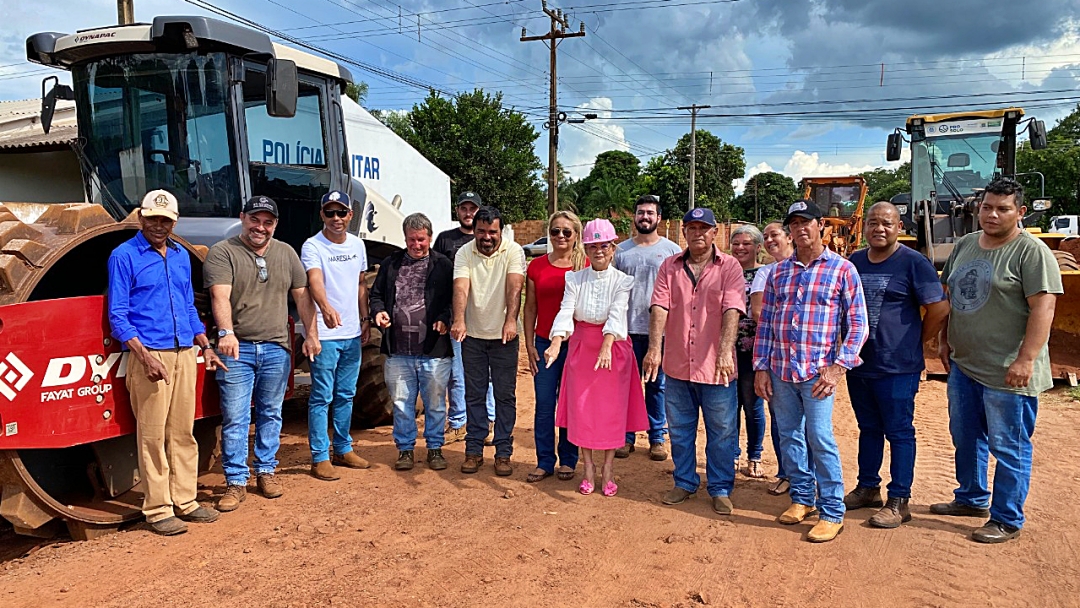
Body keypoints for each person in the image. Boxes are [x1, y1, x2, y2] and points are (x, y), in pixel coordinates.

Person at [931, 177, 1061, 543]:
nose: (992, 214)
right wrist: (944, 339)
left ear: (1019, 212)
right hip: (965, 364)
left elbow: (1044, 307)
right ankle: (972, 498)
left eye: (1002, 208)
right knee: (966, 436)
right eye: (987, 206)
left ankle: (1006, 517)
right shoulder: (966, 244)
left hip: (1008, 373)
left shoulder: (1031, 252)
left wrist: (1026, 359)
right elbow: (952, 295)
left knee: (1009, 444)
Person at [107, 189, 226, 535]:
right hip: (150, 355)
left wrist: (203, 341)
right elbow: (118, 315)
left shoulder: (179, 256)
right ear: (141, 218)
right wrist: (143, 357)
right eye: (153, 218)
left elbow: (188, 306)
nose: (159, 225)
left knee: (182, 432)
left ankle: (186, 501)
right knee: (152, 435)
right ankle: (158, 509)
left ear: (174, 223)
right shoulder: (124, 256)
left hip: (184, 351)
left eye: (166, 220)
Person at [753, 199, 868, 543]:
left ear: (821, 226)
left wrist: (838, 367)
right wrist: (761, 366)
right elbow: (767, 324)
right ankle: (803, 499)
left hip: (818, 375)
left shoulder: (842, 269)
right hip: (781, 369)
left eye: (807, 222)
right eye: (795, 223)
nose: (801, 229)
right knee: (788, 436)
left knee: (819, 438)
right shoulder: (778, 272)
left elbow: (858, 323)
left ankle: (832, 511)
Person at [205, 195, 319, 512]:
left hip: (276, 348)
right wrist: (226, 333)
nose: (261, 227)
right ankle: (236, 481)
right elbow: (220, 297)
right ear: (243, 218)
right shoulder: (223, 252)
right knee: (236, 418)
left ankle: (266, 471)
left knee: (271, 413)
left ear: (275, 225)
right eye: (255, 220)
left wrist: (311, 334)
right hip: (237, 349)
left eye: (268, 222)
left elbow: (303, 296)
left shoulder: (286, 254)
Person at [844, 202, 949, 528]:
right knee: (869, 428)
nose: (879, 228)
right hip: (860, 363)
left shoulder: (913, 263)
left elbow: (939, 309)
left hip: (897, 366)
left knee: (900, 431)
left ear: (898, 226)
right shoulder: (855, 261)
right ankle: (867, 487)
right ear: (864, 228)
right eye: (873, 223)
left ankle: (900, 499)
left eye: (886, 223)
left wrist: (916, 341)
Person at [643, 207, 745, 515]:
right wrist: (654, 349)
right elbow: (660, 306)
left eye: (704, 228)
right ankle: (685, 482)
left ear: (715, 232)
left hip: (716, 367)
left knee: (722, 431)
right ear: (684, 232)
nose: (697, 233)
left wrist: (725, 351)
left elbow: (732, 310)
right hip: (677, 365)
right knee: (680, 429)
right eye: (692, 227)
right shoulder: (669, 267)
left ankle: (720, 487)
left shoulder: (730, 267)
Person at [545, 219, 646, 496]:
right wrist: (556, 342)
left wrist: (607, 344)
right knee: (583, 412)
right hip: (581, 349)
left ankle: (608, 470)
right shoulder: (574, 279)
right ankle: (588, 468)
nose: (599, 251)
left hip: (613, 351)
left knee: (611, 414)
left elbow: (617, 312)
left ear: (613, 248)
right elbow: (566, 311)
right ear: (585, 249)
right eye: (593, 246)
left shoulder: (623, 281)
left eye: (604, 245)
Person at [370, 213, 455, 472]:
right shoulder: (391, 263)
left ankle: (435, 449)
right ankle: (405, 450)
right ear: (404, 238)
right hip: (398, 350)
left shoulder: (444, 265)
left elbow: (455, 299)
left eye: (421, 240)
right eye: (411, 240)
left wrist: (445, 318)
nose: (416, 245)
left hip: (434, 350)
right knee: (401, 404)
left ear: (430, 237)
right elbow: (375, 295)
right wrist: (378, 312)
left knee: (436, 404)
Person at [300, 190, 372, 481]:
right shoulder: (312, 246)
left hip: (352, 334)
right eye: (330, 213)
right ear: (322, 216)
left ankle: (343, 448)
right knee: (321, 396)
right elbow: (314, 280)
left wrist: (365, 319)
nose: (336, 218)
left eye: (341, 212)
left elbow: (360, 284)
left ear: (350, 215)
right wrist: (326, 308)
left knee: (346, 394)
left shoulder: (358, 245)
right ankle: (319, 457)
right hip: (325, 336)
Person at [451, 206, 526, 476]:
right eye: (481, 231)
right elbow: (461, 286)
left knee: (504, 396)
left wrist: (510, 320)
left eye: (492, 231)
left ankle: (503, 452)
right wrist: (459, 320)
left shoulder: (513, 251)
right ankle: (473, 450)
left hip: (504, 338)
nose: (486, 237)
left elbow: (515, 285)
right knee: (474, 395)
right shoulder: (464, 252)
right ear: (475, 230)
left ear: (500, 231)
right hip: (472, 336)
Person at [614, 195, 682, 461]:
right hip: (627, 329)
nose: (645, 217)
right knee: (627, 386)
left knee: (657, 385)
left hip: (661, 332)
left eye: (650, 213)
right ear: (634, 216)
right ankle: (626, 436)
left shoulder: (672, 250)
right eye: (640, 212)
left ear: (659, 218)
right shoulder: (621, 252)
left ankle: (657, 438)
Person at [524, 210, 586, 483]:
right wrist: (528, 344)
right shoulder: (536, 266)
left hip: (575, 344)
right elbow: (530, 308)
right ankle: (545, 461)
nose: (560, 236)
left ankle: (569, 460)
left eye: (566, 231)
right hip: (543, 342)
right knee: (545, 404)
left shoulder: (584, 265)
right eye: (555, 231)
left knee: (570, 404)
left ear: (576, 235)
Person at [434, 191, 495, 444]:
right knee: (456, 372)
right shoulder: (445, 240)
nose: (468, 213)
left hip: (485, 316)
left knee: (487, 373)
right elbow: (436, 278)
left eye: (473, 208)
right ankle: (458, 422)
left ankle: (490, 420)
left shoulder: (491, 239)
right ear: (457, 211)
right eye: (464, 208)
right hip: (455, 315)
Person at [750, 221, 797, 495]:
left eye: (774, 235)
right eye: (765, 237)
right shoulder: (765, 273)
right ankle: (786, 473)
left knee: (812, 427)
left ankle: (808, 477)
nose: (769, 240)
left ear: (789, 237)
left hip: (807, 359)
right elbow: (758, 312)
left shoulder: (811, 266)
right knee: (781, 420)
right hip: (778, 357)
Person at [730, 224, 767, 479]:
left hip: (754, 350)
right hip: (726, 350)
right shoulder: (724, 272)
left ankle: (754, 455)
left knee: (752, 405)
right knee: (728, 406)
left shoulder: (766, 274)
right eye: (736, 243)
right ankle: (731, 453)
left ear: (757, 247)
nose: (740, 248)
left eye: (746, 243)